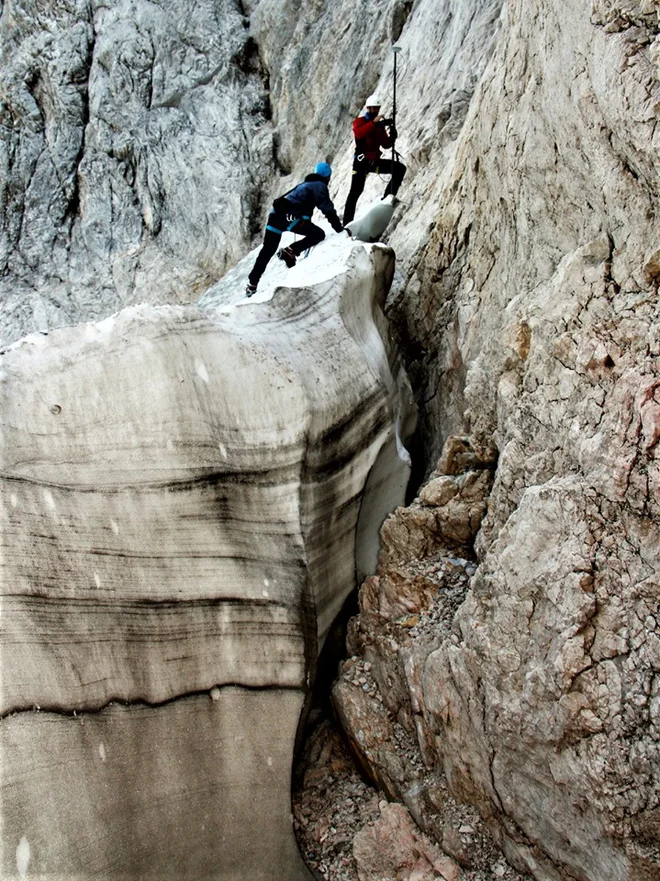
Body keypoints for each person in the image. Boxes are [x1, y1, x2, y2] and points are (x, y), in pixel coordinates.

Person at [246, 162, 345, 296]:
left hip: (275, 216)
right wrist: (340, 230)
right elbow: (327, 209)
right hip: (289, 217)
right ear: (327, 177)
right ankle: (291, 251)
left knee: (267, 250)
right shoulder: (318, 186)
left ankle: (252, 284)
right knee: (318, 234)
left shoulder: (304, 185)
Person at [342, 94, 406, 226]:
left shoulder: (378, 126)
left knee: (400, 169)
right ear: (367, 108)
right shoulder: (359, 122)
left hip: (374, 162)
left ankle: (387, 199)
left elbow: (385, 144)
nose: (374, 111)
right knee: (355, 192)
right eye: (372, 108)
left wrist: (392, 136)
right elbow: (359, 133)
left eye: (376, 108)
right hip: (361, 163)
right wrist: (375, 123)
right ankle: (347, 224)